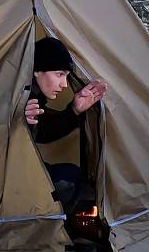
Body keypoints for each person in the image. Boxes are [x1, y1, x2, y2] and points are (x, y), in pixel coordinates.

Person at [24, 37, 107, 213]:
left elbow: (44, 131)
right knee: (67, 180)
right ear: (37, 70)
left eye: (67, 76)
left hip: (20, 168)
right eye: (59, 74)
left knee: (70, 173)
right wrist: (18, 121)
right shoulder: (16, 95)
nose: (64, 85)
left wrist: (75, 110)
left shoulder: (33, 95)